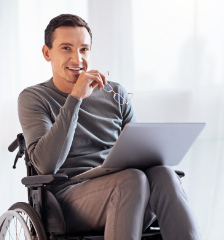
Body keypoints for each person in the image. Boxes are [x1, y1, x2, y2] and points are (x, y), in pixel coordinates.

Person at [18, 14, 201, 240]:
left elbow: (139, 152)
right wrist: (75, 98)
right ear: (47, 53)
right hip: (69, 200)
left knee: (164, 174)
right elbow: (46, 165)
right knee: (131, 180)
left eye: (84, 49)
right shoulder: (34, 98)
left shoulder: (115, 93)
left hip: (131, 191)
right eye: (66, 48)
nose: (77, 58)